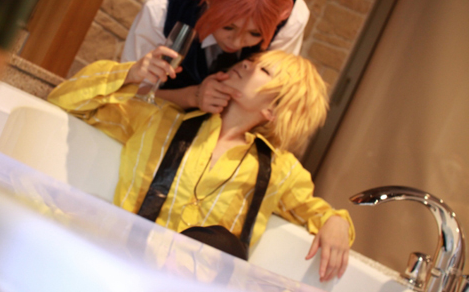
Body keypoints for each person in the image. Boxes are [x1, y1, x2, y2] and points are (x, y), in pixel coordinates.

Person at [48, 47, 354, 282]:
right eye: (251, 61)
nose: (246, 64)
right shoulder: (160, 121)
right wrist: (132, 73)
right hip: (115, 272)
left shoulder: (279, 171)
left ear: (273, 110)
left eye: (263, 70)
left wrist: (337, 222)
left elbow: (315, 210)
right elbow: (64, 101)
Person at [121, 0, 310, 114]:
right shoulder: (163, 9)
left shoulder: (292, 16)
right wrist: (192, 96)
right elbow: (125, 96)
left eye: (255, 33)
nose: (236, 42)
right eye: (228, 26)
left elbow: (269, 102)